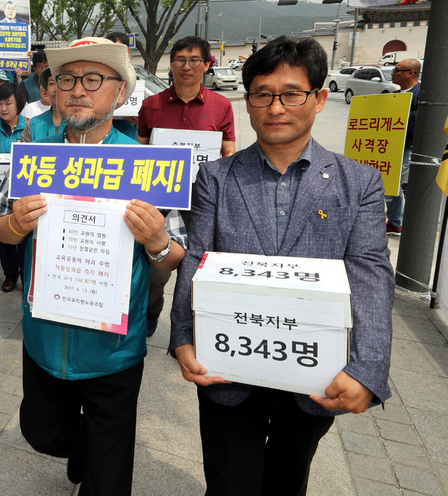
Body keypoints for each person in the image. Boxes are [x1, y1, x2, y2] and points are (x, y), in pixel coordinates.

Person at [169, 36, 395, 495]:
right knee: (230, 481)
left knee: (288, 480)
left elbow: (371, 273)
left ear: (319, 99)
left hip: (316, 375)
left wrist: (368, 367)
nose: (276, 108)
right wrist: (183, 338)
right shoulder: (216, 177)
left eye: (292, 94)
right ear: (248, 102)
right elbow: (197, 259)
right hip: (227, 368)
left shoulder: (360, 183)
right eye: (263, 94)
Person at [0, 37, 181, 494]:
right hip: (43, 338)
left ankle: (98, 456)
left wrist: (156, 240)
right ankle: (86, 448)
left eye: (93, 79)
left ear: (120, 92)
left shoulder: (146, 165)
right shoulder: (34, 156)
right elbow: (1, 229)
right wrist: (17, 223)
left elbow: (175, 252)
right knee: (41, 432)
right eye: (67, 79)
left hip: (112, 351)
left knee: (107, 479)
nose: (78, 90)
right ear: (53, 89)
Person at [137, 35, 236, 337]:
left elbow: (229, 154)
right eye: (180, 59)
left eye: (194, 60)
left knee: (198, 268)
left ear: (207, 64)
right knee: (155, 268)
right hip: (161, 199)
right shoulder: (151, 105)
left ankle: (191, 330)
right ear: (171, 63)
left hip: (202, 200)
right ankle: (150, 314)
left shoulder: (222, 106)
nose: (186, 66)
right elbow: (140, 153)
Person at [0, 83, 27, 293]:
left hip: (24, 190)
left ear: (19, 104)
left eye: (8, 103)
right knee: (4, 232)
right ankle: (10, 275)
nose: (3, 108)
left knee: (25, 232)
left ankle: (26, 273)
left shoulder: (30, 126)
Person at [385, 57, 422, 234]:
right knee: (391, 187)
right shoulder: (393, 93)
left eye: (397, 70)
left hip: (407, 148)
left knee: (404, 187)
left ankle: (412, 224)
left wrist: (399, 113)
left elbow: (421, 120)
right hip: (390, 147)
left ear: (411, 73)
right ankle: (394, 221)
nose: (393, 73)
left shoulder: (421, 93)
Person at [20, 68, 64, 142]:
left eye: (60, 83)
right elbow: (23, 152)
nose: (55, 89)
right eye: (51, 83)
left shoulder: (79, 124)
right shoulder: (33, 124)